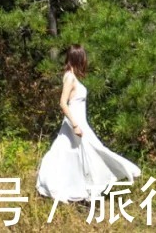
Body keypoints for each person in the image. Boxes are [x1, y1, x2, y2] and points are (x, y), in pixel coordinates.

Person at [35, 44, 141, 206]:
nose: (86, 60)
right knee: (78, 155)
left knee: (84, 156)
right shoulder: (69, 77)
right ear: (78, 58)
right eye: (83, 57)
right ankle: (80, 191)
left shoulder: (72, 77)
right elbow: (63, 103)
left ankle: (85, 191)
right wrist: (75, 125)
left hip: (79, 123)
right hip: (74, 124)